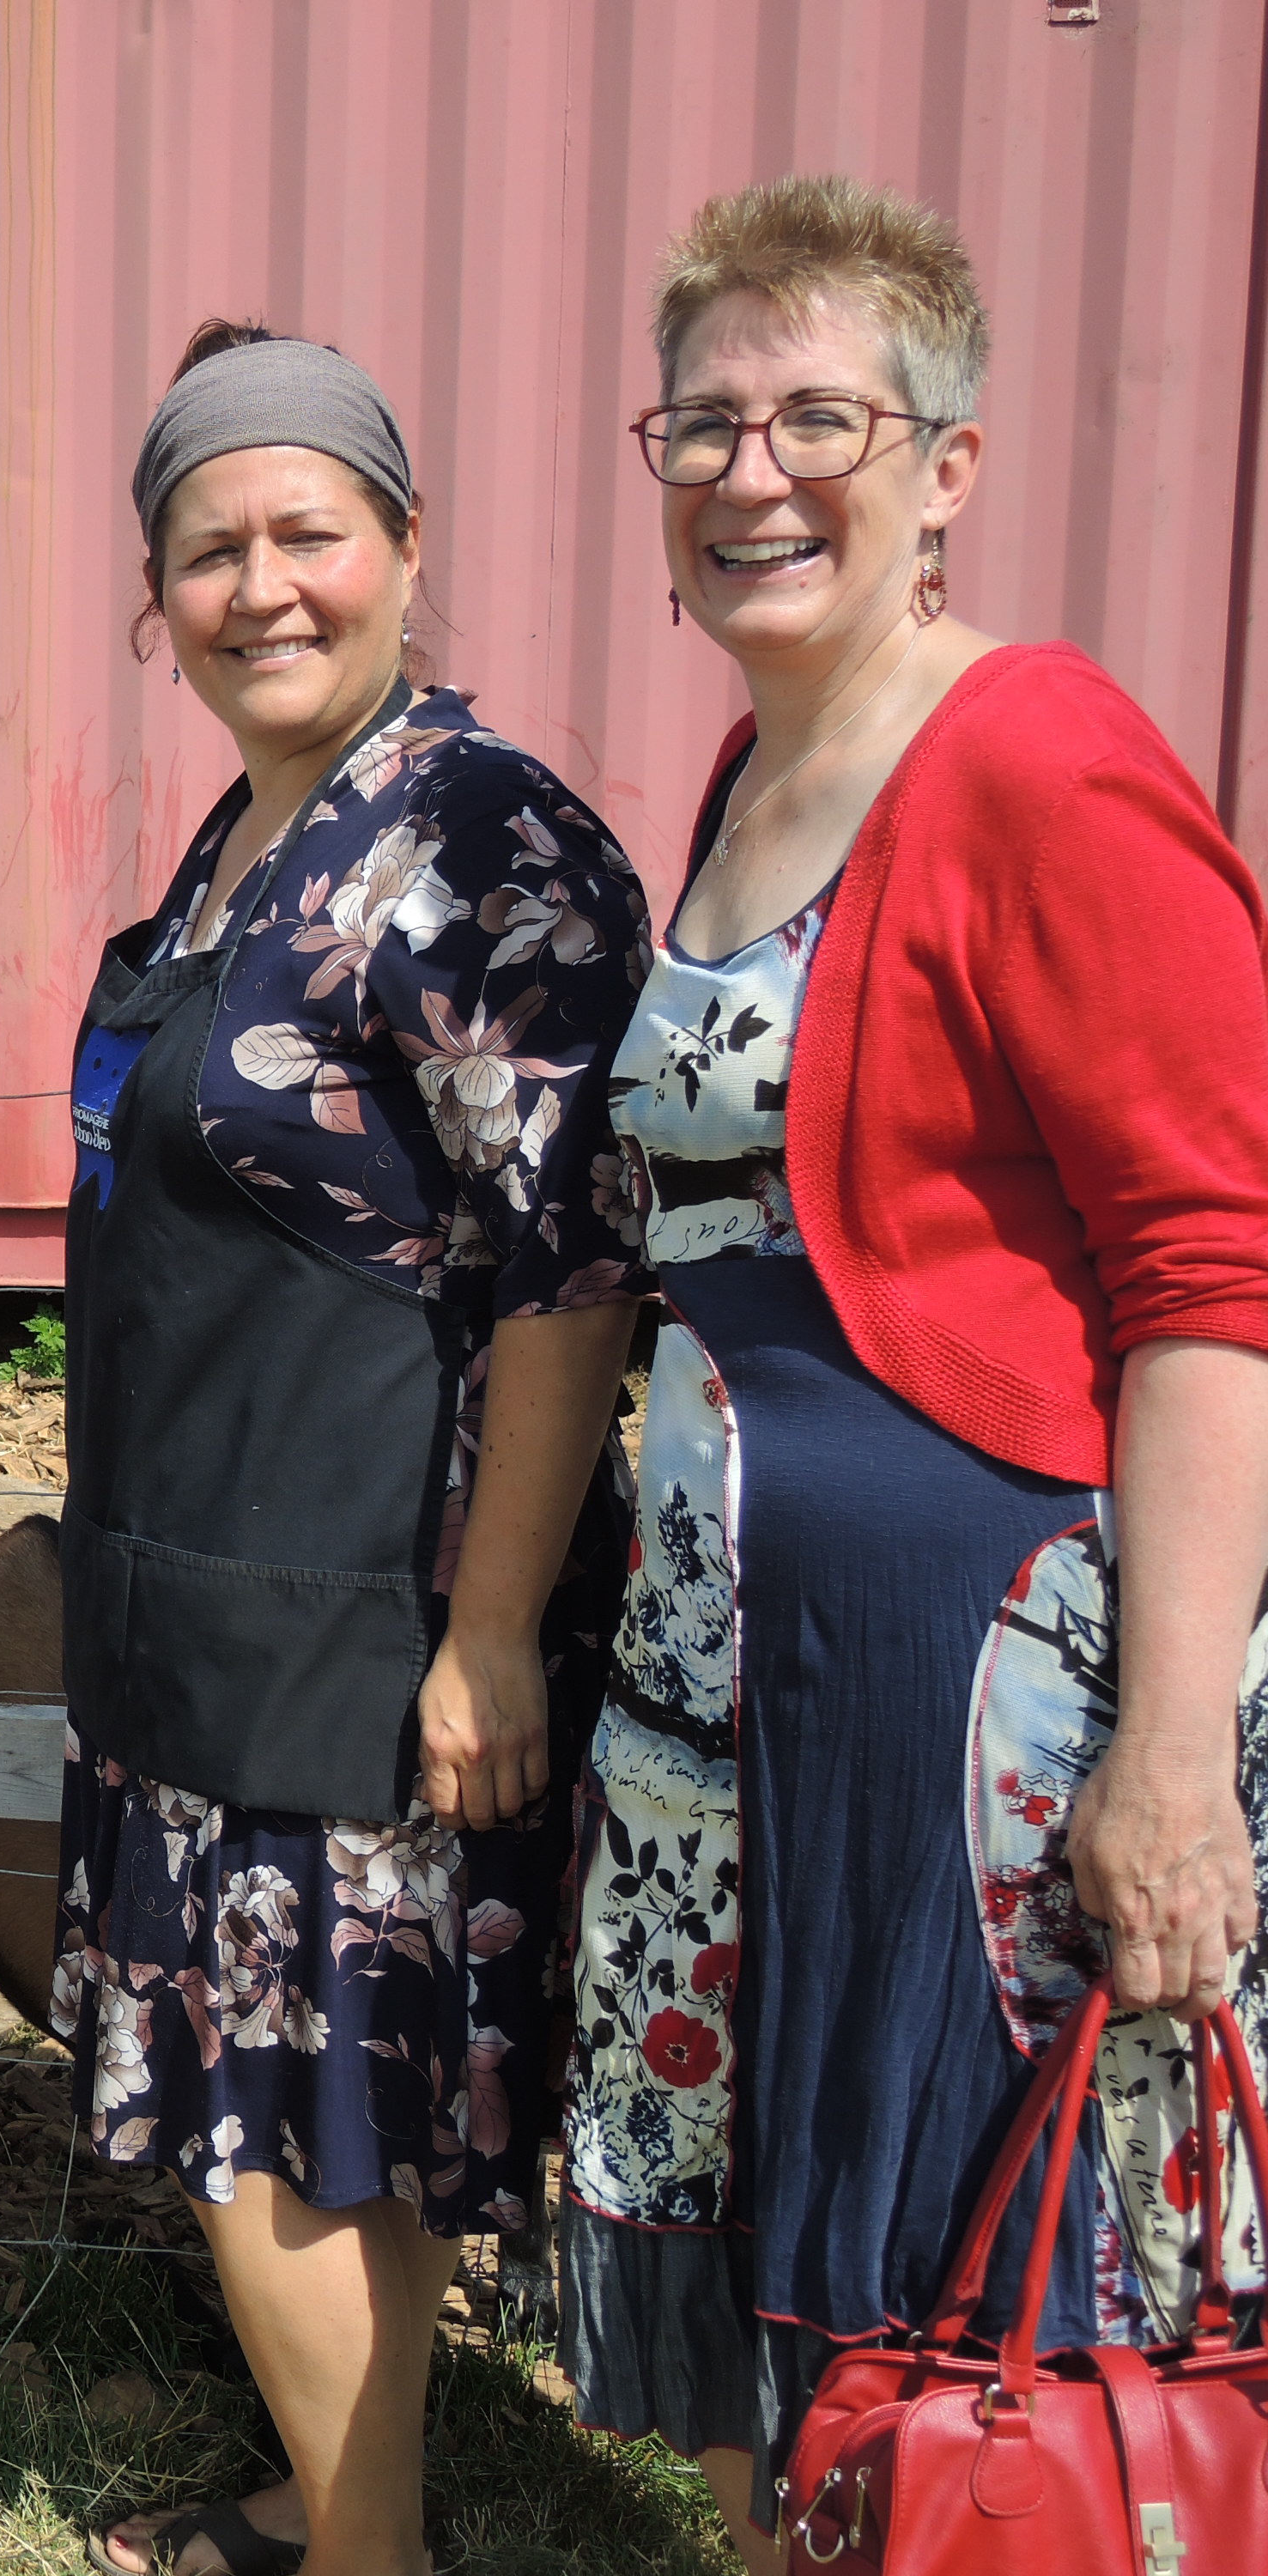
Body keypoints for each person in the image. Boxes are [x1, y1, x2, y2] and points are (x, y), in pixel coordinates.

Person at [558, 172, 1268, 2571]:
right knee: (810, 2276)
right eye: (702, 422)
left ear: (948, 467)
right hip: (742, 1677)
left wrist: (1170, 1757)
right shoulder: (754, 784)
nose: (753, 470)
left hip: (979, 1696)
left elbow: (1215, 1274)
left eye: (819, 416)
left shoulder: (1040, 757)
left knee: (998, 2294)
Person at [52, 325, 650, 2576]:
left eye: (308, 532)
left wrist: (490, 1627)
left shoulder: (481, 834)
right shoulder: (251, 828)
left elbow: (580, 1269)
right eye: (211, 549)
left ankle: (367, 2559)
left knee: (288, 2122)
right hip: (193, 1586)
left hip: (361, 1614)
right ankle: (336, 2509)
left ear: (405, 545)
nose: (262, 583)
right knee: (288, 2110)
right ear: (158, 598)